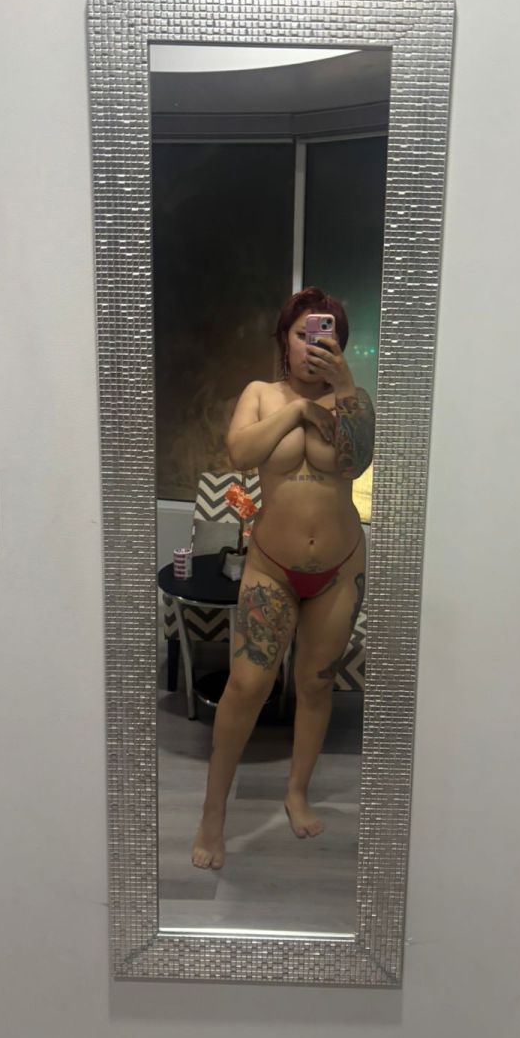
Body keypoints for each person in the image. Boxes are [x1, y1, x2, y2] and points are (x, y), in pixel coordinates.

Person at [192, 287, 375, 869]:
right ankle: (213, 813)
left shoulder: (353, 399)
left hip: (339, 569)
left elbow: (356, 463)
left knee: (316, 685)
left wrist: (345, 390)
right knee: (247, 685)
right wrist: (296, 412)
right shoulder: (261, 394)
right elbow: (239, 453)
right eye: (303, 333)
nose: (313, 345)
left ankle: (297, 792)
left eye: (325, 335)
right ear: (284, 339)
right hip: (272, 566)